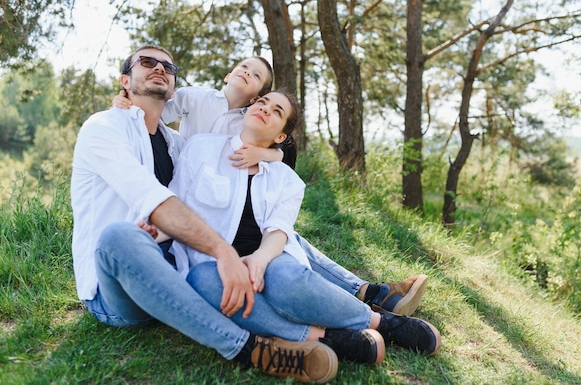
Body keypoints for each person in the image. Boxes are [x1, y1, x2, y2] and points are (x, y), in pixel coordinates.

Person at [71, 44, 339, 383]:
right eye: (147, 62)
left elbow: (232, 166)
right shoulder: (104, 128)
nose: (160, 68)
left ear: (172, 87)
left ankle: (358, 299)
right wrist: (222, 252)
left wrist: (271, 157)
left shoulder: (177, 144)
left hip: (177, 268)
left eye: (168, 66)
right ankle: (250, 349)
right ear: (125, 80)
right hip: (119, 287)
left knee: (267, 226)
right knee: (119, 237)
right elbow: (155, 202)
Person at [113, 55, 430, 317]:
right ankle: (368, 293)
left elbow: (277, 152)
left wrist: (263, 152)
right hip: (192, 183)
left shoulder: (247, 119)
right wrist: (125, 99)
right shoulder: (197, 98)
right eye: (243, 67)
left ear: (254, 98)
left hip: (221, 192)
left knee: (279, 235)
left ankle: (365, 297)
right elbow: (155, 108)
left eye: (255, 75)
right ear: (227, 74)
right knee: (281, 236)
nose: (246, 72)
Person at [167, 89, 441, 364]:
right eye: (263, 102)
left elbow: (279, 230)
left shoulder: (286, 179)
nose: (265, 109)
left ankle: (382, 323)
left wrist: (259, 262)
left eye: (277, 111)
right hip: (209, 262)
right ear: (249, 110)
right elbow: (175, 203)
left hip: (268, 257)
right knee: (202, 281)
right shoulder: (201, 148)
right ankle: (324, 338)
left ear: (280, 137)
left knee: (286, 280)